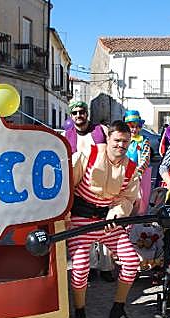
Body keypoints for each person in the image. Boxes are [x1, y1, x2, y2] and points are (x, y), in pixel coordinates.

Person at [67, 120, 141, 318]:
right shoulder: (88, 155)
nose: (121, 145)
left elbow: (128, 198)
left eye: (125, 142)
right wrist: (66, 215)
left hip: (108, 221)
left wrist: (116, 213)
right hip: (81, 219)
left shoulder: (131, 168)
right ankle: (79, 313)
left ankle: (118, 309)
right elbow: (68, 184)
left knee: (131, 261)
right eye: (117, 140)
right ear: (108, 139)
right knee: (80, 266)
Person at [65, 101, 114, 281]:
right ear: (71, 116)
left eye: (82, 112)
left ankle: (106, 267)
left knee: (106, 227)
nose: (79, 115)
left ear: (87, 114)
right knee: (85, 229)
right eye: (75, 113)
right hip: (80, 189)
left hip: (103, 186)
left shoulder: (101, 130)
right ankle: (91, 266)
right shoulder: (67, 135)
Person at [124, 110, 151, 214]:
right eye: (131, 126)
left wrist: (137, 173)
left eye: (137, 126)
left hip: (139, 175)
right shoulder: (123, 140)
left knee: (139, 201)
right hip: (123, 175)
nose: (134, 129)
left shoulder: (144, 140)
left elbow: (145, 158)